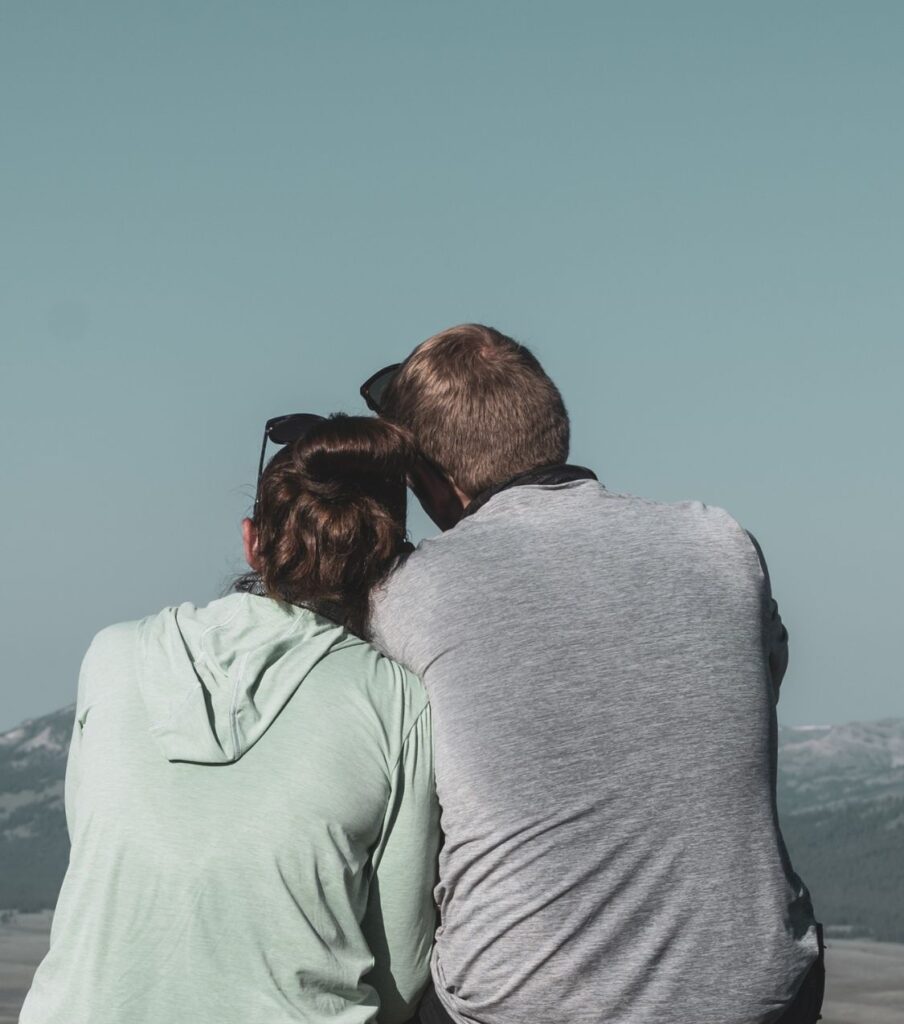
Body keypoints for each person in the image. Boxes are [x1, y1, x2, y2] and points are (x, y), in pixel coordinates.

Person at [361, 325, 824, 1024]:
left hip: (523, 1005)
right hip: (756, 994)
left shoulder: (407, 591)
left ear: (432, 481)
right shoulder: (720, 540)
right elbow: (756, 684)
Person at [21, 414, 440, 1024]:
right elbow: (401, 974)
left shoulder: (111, 657)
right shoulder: (398, 702)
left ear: (252, 540)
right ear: (390, 565)